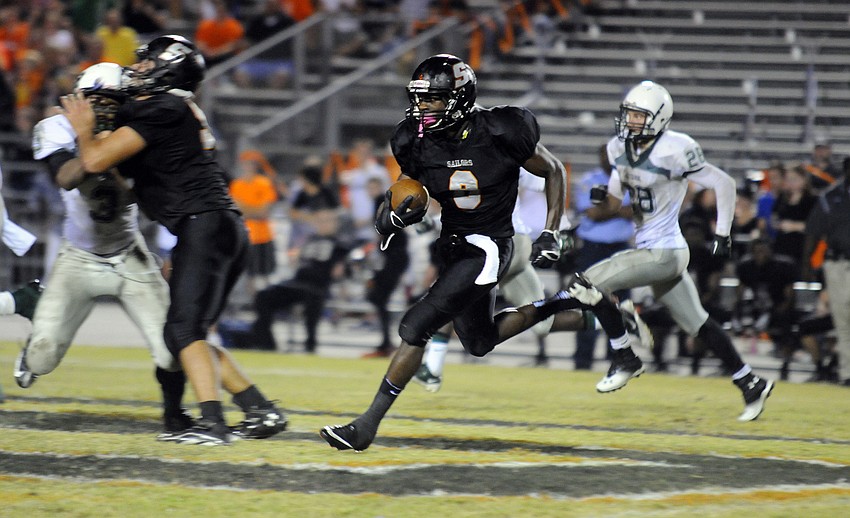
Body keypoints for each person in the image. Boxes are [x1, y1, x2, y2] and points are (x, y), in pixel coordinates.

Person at [320, 54, 644, 451]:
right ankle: (567, 300)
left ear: (459, 98)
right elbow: (409, 187)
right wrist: (392, 214)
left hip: (490, 245)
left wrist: (550, 231)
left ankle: (366, 426)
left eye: (433, 100)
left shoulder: (501, 130)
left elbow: (554, 170)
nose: (423, 108)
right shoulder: (414, 140)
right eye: (419, 99)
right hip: (454, 244)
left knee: (415, 324)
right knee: (478, 341)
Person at [60, 35, 286, 445]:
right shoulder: (168, 111)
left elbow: (92, 159)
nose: (138, 68)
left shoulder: (163, 107)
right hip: (212, 226)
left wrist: (83, 129)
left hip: (206, 224)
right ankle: (259, 409)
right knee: (184, 334)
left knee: (184, 331)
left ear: (168, 70)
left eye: (148, 63)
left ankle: (213, 424)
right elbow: (121, 182)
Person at [15, 63, 196, 440]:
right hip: (77, 258)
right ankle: (31, 342)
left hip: (129, 253)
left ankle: (173, 413)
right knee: (42, 358)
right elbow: (65, 178)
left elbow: (140, 199)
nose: (105, 109)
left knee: (169, 350)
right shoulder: (58, 129)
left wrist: (107, 149)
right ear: (80, 100)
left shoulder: (136, 135)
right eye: (96, 101)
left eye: (113, 102)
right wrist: (87, 138)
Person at [583, 80, 773, 421]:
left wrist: (723, 233)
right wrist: (603, 200)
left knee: (587, 284)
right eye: (629, 114)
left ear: (658, 117)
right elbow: (615, 200)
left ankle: (625, 347)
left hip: (665, 250)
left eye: (639, 116)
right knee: (697, 322)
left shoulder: (675, 148)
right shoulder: (617, 147)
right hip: (652, 249)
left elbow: (723, 183)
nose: (631, 121)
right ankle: (750, 381)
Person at [220, 209, 351, 352]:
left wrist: (341, 267)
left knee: (314, 297)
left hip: (318, 285)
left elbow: (343, 270)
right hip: (298, 282)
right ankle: (265, 342)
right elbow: (297, 262)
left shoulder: (340, 244)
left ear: (335, 223)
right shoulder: (310, 239)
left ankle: (310, 344)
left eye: (327, 221)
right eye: (320, 221)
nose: (323, 224)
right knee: (263, 295)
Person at [571, 144, 635, 370]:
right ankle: (582, 360)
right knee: (587, 303)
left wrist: (608, 206)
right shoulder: (590, 179)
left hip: (621, 249)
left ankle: (618, 360)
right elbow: (592, 214)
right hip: (593, 250)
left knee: (621, 307)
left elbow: (635, 211)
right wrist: (620, 208)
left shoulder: (632, 180)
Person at [803, 156, 850, 386]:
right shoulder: (830, 197)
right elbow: (813, 232)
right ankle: (847, 373)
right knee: (843, 320)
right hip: (838, 264)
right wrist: (807, 267)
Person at [229, 149, 279, 297]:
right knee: (249, 275)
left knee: (265, 275)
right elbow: (234, 211)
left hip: (263, 235)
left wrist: (244, 207)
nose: (249, 166)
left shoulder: (263, 183)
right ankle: (254, 304)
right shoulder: (236, 185)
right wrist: (253, 210)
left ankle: (266, 302)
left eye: (251, 163)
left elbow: (263, 212)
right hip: (245, 235)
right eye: (246, 163)